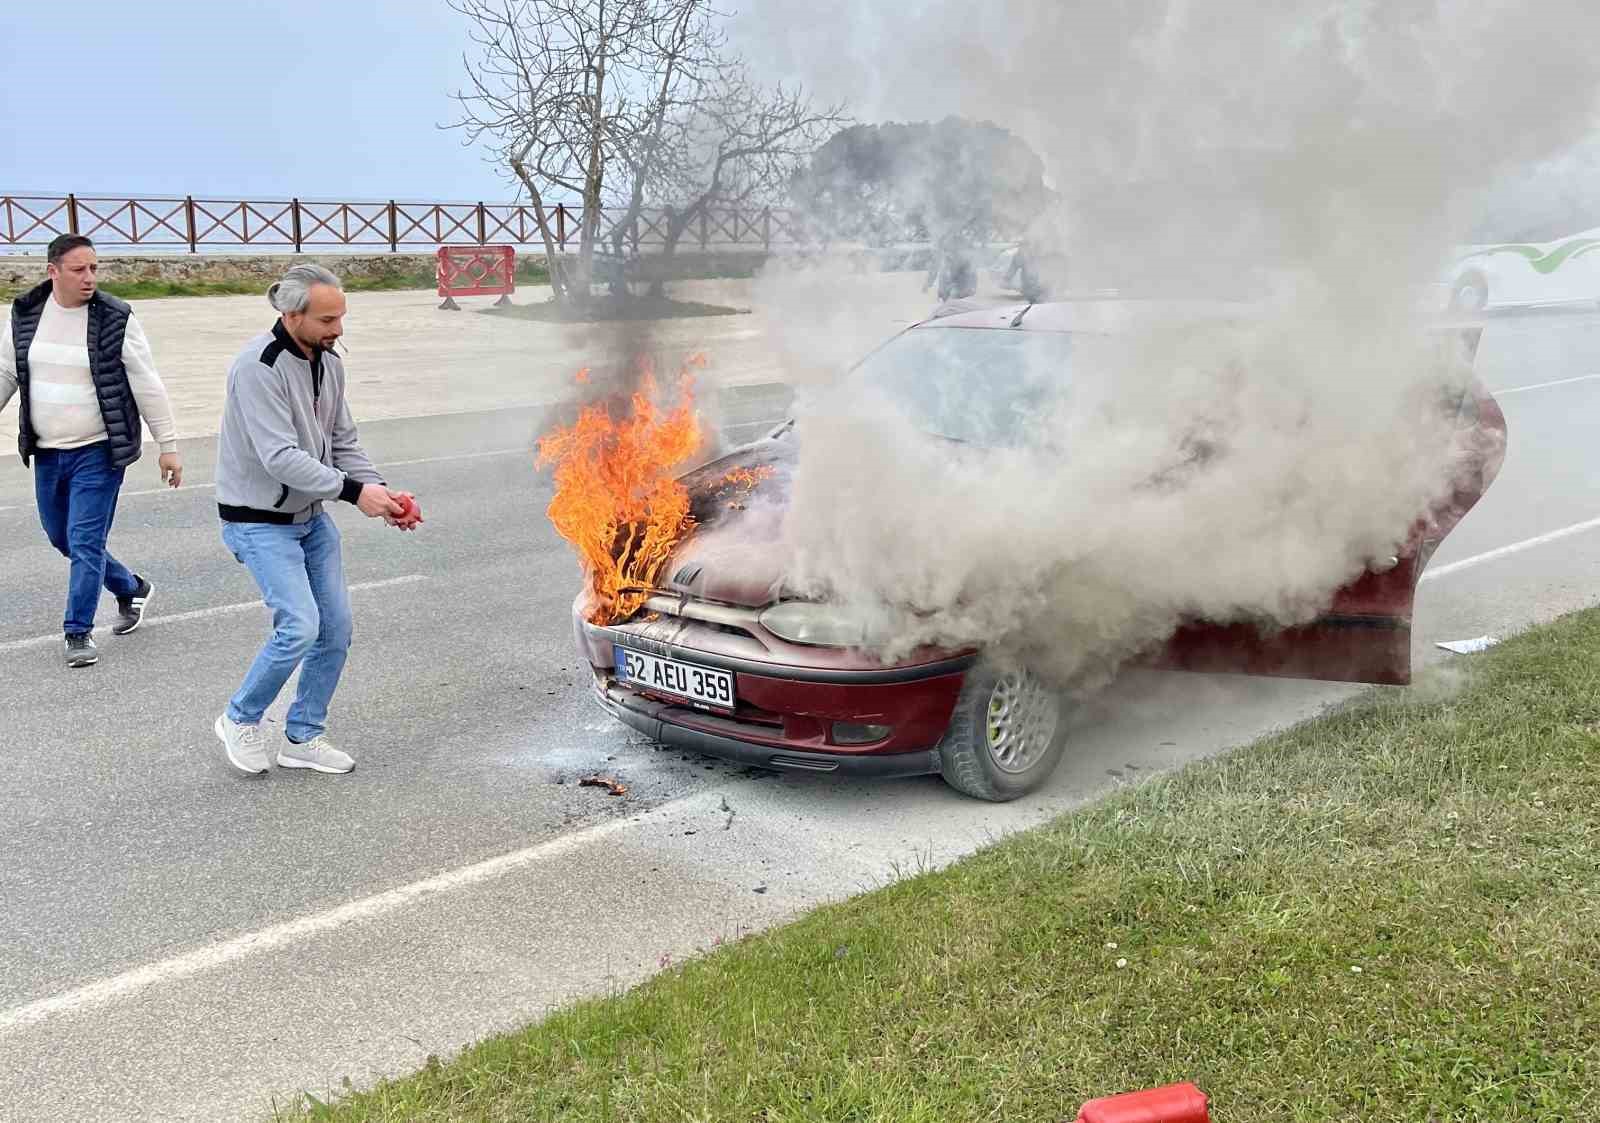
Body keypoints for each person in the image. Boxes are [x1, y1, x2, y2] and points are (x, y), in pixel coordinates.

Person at [212, 264, 408, 778]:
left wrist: (381, 492)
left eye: (340, 316)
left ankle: (302, 737)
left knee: (336, 629)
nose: (337, 329)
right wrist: (353, 492)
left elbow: (343, 442)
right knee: (299, 625)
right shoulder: (258, 367)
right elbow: (279, 457)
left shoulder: (329, 362)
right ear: (290, 313)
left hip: (310, 516)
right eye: (327, 320)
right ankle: (240, 717)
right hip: (257, 520)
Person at [0, 234, 183, 668]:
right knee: (61, 537)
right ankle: (130, 588)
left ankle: (77, 632)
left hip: (99, 451)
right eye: (79, 269)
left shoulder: (115, 317)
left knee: (84, 541)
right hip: (46, 450)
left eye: (94, 269)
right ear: (53, 271)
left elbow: (146, 383)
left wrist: (168, 446)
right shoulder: (27, 313)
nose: (89, 278)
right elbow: (8, 370)